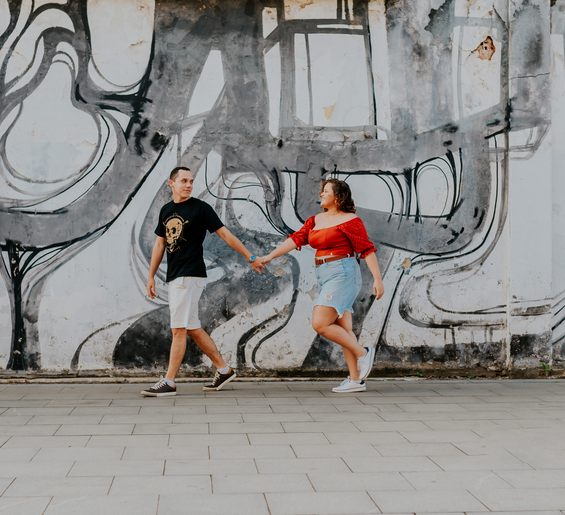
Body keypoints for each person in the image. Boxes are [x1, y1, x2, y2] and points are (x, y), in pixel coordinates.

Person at [254, 178, 384, 393]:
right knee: (343, 329)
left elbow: (367, 250)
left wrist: (377, 279)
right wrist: (269, 257)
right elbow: (296, 239)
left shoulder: (351, 220)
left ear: (338, 196)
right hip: (324, 274)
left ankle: (363, 353)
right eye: (322, 191)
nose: (321, 194)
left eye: (326, 191)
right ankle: (355, 380)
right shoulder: (315, 220)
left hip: (343, 273)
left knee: (321, 323)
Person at [142, 166, 261, 397]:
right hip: (177, 275)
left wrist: (250, 257)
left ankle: (169, 382)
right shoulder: (166, 210)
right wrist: (150, 276)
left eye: (191, 181)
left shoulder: (200, 208)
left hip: (189, 275)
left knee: (178, 329)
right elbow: (160, 244)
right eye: (184, 181)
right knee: (192, 328)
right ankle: (224, 370)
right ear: (172, 183)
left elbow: (225, 234)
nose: (188, 185)